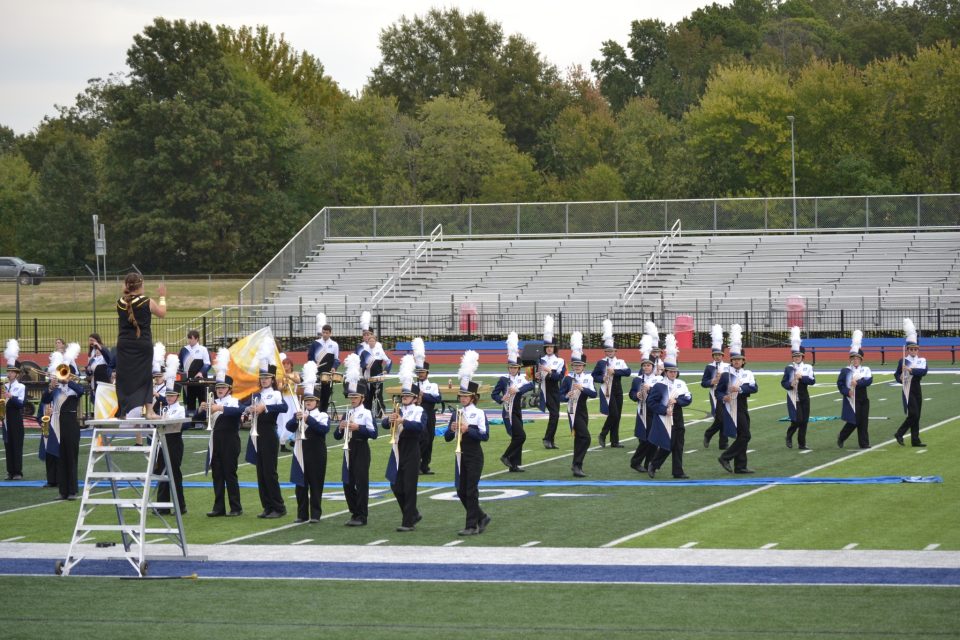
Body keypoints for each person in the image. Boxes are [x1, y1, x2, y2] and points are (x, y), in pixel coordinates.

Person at [443, 350, 490, 536]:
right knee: (461, 490)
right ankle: (482, 516)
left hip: (474, 454)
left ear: (473, 397)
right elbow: (447, 437)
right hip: (459, 453)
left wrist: (467, 429)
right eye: (461, 396)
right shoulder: (456, 413)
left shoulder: (479, 413)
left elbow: (485, 436)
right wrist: (453, 429)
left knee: (471, 490)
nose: (462, 398)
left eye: (465, 396)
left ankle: (472, 526)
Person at [383, 355, 426, 532]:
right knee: (395, 484)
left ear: (415, 398)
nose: (405, 398)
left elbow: (420, 428)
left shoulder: (419, 410)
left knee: (409, 487)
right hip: (397, 448)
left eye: (408, 396)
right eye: (404, 395)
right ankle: (413, 513)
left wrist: (403, 422)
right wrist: (389, 419)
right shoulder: (398, 409)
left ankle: (408, 521)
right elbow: (385, 425)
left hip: (411, 449)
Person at [115, 273, 167, 419]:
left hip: (124, 345)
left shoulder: (120, 302)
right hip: (142, 343)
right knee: (144, 376)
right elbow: (162, 313)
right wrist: (162, 296)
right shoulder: (147, 301)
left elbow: (128, 300)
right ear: (141, 285)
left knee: (124, 377)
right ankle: (149, 411)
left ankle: (123, 411)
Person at [335, 354, 377, 526]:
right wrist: (340, 427)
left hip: (361, 448)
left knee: (361, 483)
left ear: (362, 398)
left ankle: (362, 515)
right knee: (347, 482)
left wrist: (358, 428)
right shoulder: (347, 412)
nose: (352, 399)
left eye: (355, 397)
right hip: (348, 448)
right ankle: (354, 512)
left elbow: (374, 433)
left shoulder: (366, 413)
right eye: (351, 397)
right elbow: (337, 437)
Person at [245, 357, 288, 520]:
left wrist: (266, 408)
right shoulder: (256, 395)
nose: (264, 380)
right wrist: (248, 411)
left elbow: (283, 407)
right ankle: (267, 506)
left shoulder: (276, 394)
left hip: (269, 433)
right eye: (262, 378)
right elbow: (245, 410)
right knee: (260, 472)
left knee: (270, 472)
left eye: (267, 378)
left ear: (272, 379)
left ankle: (279, 506)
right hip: (256, 433)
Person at [198, 367, 244, 517]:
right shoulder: (212, 401)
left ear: (229, 389)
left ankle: (236, 507)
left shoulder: (234, 401)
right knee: (217, 474)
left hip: (230, 441)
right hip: (216, 441)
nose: (220, 390)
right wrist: (201, 410)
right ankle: (219, 507)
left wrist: (220, 408)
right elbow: (199, 420)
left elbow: (239, 411)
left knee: (230, 474)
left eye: (223, 387)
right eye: (218, 387)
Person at [286, 365, 329, 524]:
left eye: (311, 400)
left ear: (317, 402)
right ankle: (302, 513)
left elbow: (323, 430)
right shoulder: (298, 413)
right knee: (300, 484)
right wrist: (295, 419)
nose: (308, 402)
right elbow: (289, 428)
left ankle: (316, 514)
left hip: (316, 453)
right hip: (300, 451)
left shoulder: (322, 415)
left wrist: (307, 419)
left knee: (316, 484)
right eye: (306, 400)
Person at [645, 334, 692, 479]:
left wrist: (677, 401)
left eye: (675, 371)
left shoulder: (681, 383)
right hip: (664, 417)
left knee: (678, 445)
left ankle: (677, 471)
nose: (673, 373)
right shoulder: (659, 385)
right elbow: (650, 403)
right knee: (667, 444)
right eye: (671, 371)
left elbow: (689, 398)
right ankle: (654, 464)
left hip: (677, 416)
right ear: (666, 372)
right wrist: (664, 409)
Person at [717, 324, 758, 474]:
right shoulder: (726, 373)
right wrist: (724, 397)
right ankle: (725, 457)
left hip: (742, 404)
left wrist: (740, 389)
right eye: (734, 359)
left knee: (743, 435)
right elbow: (718, 392)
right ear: (731, 360)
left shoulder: (748, 373)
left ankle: (740, 466)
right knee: (745, 435)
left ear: (743, 360)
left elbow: (754, 388)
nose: (736, 361)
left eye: (739, 359)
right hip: (730, 406)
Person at [42, 362, 85, 499]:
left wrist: (67, 382)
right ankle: (63, 491)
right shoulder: (56, 388)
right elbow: (45, 399)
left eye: (65, 373)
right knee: (60, 458)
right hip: (57, 424)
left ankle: (72, 491)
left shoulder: (74, 388)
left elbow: (81, 391)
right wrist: (50, 387)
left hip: (71, 424)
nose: (62, 375)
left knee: (71, 457)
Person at [493, 332, 534, 472]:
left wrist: (519, 390)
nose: (513, 369)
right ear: (508, 368)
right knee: (520, 436)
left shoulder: (522, 379)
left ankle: (513, 464)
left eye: (515, 367)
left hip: (517, 410)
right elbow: (494, 394)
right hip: (508, 411)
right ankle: (506, 456)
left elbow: (532, 385)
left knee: (517, 436)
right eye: (511, 367)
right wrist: (501, 398)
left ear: (518, 368)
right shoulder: (503, 379)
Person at [559, 332, 597, 478]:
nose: (577, 367)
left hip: (583, 410)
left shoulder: (588, 378)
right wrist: (566, 396)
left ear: (584, 366)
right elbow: (560, 396)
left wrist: (583, 388)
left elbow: (594, 394)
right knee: (586, 438)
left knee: (580, 439)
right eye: (575, 364)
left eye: (579, 365)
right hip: (572, 410)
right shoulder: (568, 379)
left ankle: (576, 466)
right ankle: (577, 464)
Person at [594, 319, 631, 448]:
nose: (609, 353)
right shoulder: (601, 362)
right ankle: (603, 434)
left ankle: (614, 441)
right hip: (606, 390)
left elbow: (627, 372)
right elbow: (594, 376)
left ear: (615, 351)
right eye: (607, 351)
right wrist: (601, 379)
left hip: (618, 389)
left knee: (618, 415)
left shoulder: (620, 361)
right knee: (613, 414)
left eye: (611, 351)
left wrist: (615, 371)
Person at [629, 335, 660, 473]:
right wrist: (637, 395)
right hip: (642, 411)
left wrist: (651, 389)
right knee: (645, 439)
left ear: (653, 366)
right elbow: (631, 394)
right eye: (644, 365)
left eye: (648, 365)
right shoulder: (637, 380)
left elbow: (661, 395)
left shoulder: (658, 379)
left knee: (654, 439)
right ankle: (636, 462)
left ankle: (649, 463)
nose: (646, 367)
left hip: (655, 411)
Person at [155, 380, 187, 516]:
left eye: (172, 396)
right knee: (162, 474)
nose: (169, 398)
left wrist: (157, 418)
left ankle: (180, 506)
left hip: (174, 442)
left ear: (178, 396)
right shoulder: (164, 407)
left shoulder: (180, 409)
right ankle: (162, 507)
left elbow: (168, 422)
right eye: (167, 395)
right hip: (163, 441)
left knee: (174, 474)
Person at [837, 330, 873, 450]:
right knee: (853, 421)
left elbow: (869, 381)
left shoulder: (866, 369)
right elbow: (840, 384)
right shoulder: (846, 370)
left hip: (863, 398)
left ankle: (864, 443)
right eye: (853, 358)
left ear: (861, 359)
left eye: (857, 358)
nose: (855, 360)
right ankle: (842, 437)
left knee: (863, 422)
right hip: (852, 398)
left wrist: (857, 382)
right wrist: (847, 391)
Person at [895, 319, 927, 448]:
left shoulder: (921, 360)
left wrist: (910, 370)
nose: (913, 351)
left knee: (917, 415)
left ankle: (915, 439)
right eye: (911, 349)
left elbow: (923, 372)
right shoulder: (903, 360)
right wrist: (901, 378)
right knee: (913, 414)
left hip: (917, 387)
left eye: (915, 349)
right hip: (907, 388)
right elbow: (896, 375)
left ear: (917, 350)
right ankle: (899, 433)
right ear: (907, 350)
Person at [782, 327, 815, 450]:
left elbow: (812, 381)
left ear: (802, 356)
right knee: (797, 420)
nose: (796, 358)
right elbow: (783, 383)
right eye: (794, 356)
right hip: (792, 396)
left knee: (804, 421)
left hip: (804, 395)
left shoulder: (807, 367)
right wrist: (790, 384)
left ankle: (802, 443)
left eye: (798, 356)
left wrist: (802, 378)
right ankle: (789, 436)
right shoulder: (789, 368)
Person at [412, 338, 441, 475]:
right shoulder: (413, 385)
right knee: (421, 439)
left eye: (422, 372)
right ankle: (416, 464)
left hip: (429, 413)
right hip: (416, 414)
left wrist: (424, 396)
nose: (420, 374)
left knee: (430, 440)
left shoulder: (433, 385)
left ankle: (425, 466)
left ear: (427, 373)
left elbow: (438, 398)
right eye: (419, 372)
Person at [538, 316, 565, 450]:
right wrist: (536, 375)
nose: (549, 349)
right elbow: (531, 376)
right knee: (554, 414)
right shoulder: (539, 359)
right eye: (547, 347)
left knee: (555, 415)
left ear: (555, 348)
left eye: (551, 347)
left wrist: (549, 371)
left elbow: (559, 377)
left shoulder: (560, 361)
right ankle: (547, 439)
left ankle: (550, 440)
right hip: (543, 389)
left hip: (554, 389)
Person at [701, 324, 728, 450]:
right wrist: (713, 381)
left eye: (719, 354)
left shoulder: (728, 366)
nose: (717, 356)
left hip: (726, 395)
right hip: (714, 394)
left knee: (725, 418)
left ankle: (723, 443)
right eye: (715, 354)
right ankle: (709, 433)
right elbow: (703, 383)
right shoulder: (709, 367)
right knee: (720, 418)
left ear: (723, 355)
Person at [307, 313, 340, 413]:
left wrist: (334, 367)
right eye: (323, 332)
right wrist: (313, 366)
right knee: (316, 393)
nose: (325, 334)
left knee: (326, 394)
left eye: (327, 333)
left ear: (330, 333)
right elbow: (310, 357)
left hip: (327, 373)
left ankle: (324, 413)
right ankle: (314, 411)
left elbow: (337, 359)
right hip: (316, 372)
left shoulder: (334, 345)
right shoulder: (315, 343)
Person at [3, 341, 25, 480]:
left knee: (16, 445)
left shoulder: (20, 387)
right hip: (5, 418)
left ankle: (17, 471)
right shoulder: (4, 386)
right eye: (8, 371)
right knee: (8, 444)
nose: (9, 373)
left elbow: (20, 404)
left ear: (16, 374)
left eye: (11, 372)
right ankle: (10, 471)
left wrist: (11, 397)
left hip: (16, 418)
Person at [178, 329, 210, 414]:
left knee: (202, 400)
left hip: (200, 381)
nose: (189, 340)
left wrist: (201, 372)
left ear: (197, 339)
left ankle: (202, 419)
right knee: (189, 401)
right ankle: (190, 420)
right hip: (187, 382)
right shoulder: (184, 350)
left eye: (191, 338)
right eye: (188, 338)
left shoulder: (203, 349)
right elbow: (180, 365)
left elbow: (207, 364)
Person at [360, 331, 391, 418]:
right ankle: (368, 413)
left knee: (378, 395)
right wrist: (365, 365)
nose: (371, 342)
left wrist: (386, 370)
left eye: (373, 341)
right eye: (370, 341)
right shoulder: (364, 352)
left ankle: (380, 413)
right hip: (367, 377)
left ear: (375, 342)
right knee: (368, 396)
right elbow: (361, 363)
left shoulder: (379, 351)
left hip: (378, 377)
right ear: (368, 342)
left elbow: (389, 361)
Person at [277, 355, 300, 451]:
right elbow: (279, 388)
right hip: (286, 398)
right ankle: (282, 443)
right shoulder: (280, 376)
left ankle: (294, 439)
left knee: (297, 417)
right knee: (286, 419)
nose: (286, 366)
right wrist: (285, 384)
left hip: (293, 398)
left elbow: (298, 381)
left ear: (291, 365)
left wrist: (289, 378)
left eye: (288, 364)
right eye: (284, 364)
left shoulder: (295, 373)